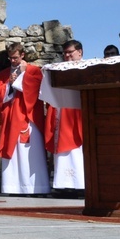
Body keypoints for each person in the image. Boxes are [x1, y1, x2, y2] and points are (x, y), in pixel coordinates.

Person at [0, 43, 50, 195]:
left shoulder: (34, 71)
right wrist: (9, 84)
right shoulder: (4, 74)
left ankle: (35, 187)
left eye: (15, 58)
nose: (12, 61)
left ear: (22, 55)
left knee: (29, 152)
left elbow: (35, 90)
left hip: (28, 118)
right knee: (14, 152)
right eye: (10, 58)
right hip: (11, 118)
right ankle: (13, 187)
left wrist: (23, 75)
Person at [44, 39, 85, 197]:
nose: (67, 56)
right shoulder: (58, 70)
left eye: (70, 52)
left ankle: (80, 184)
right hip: (62, 114)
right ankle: (62, 185)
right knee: (62, 151)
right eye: (65, 53)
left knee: (77, 151)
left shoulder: (86, 68)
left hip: (79, 114)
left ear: (80, 52)